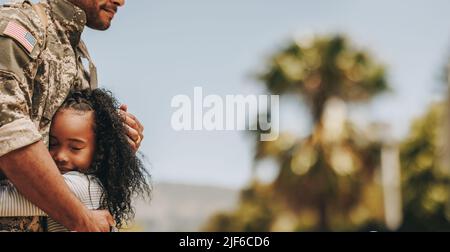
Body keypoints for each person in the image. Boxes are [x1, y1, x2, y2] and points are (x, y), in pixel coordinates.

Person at [0, 0, 144, 231]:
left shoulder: (73, 53)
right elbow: (8, 135)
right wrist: (82, 220)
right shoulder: (18, 27)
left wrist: (114, 143)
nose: (121, 2)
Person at [0, 89, 151, 232]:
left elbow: (6, 202)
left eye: (75, 148)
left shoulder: (84, 187)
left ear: (99, 152)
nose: (61, 156)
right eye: (53, 144)